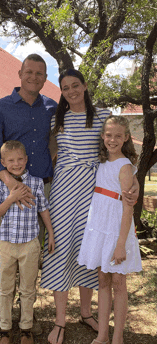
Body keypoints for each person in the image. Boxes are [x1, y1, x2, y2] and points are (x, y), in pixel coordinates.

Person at [40, 69, 139, 344]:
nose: (71, 91)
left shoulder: (102, 116)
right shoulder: (54, 118)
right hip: (62, 191)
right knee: (59, 248)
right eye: (65, 87)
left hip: (94, 194)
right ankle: (60, 321)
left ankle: (86, 313)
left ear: (84, 86)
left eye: (75, 85)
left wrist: (136, 186)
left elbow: (124, 155)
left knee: (90, 252)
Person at [0, 54, 58, 339]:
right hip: (7, 189)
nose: (35, 77)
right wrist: (11, 184)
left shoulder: (51, 107)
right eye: (30, 72)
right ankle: (1, 315)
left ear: (45, 77)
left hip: (40, 188)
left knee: (30, 255)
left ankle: (28, 315)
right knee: (7, 256)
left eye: (40, 73)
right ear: (20, 73)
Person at [78, 115, 142, 344]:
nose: (112, 139)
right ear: (103, 136)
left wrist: (120, 244)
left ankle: (117, 337)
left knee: (118, 283)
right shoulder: (102, 161)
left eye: (118, 136)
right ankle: (103, 334)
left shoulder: (124, 166)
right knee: (102, 282)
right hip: (99, 227)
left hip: (117, 232)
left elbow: (127, 210)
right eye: (108, 135)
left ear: (126, 138)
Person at [0, 140, 55, 344]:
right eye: (11, 160)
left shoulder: (36, 182)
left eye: (20, 159)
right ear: (3, 162)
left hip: (30, 244)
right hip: (7, 244)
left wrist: (51, 235)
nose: (16, 163)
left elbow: (43, 210)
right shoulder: (1, 184)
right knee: (6, 288)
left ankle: (26, 328)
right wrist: (12, 197)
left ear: (26, 159)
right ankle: (4, 329)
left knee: (28, 288)